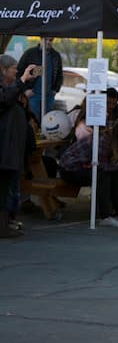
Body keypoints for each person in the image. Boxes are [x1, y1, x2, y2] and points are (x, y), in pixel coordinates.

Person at [59, 124, 118, 228]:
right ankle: (104, 216)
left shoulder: (112, 142)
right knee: (103, 175)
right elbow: (102, 166)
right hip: (71, 170)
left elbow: (108, 164)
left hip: (87, 167)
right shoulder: (102, 141)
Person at [0, 59, 39, 238]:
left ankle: (7, 222)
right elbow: (5, 100)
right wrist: (22, 80)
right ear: (3, 69)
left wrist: (25, 82)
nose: (17, 72)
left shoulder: (11, 87)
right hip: (4, 147)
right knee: (3, 188)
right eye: (14, 69)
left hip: (12, 147)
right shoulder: (6, 90)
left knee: (8, 186)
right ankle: (3, 226)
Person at [17, 37, 63, 119]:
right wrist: (25, 90)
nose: (48, 42)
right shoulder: (30, 53)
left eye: (51, 40)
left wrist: (55, 89)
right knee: (34, 120)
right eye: (46, 40)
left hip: (49, 95)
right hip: (33, 94)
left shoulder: (55, 55)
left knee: (49, 121)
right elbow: (18, 72)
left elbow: (59, 74)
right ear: (41, 39)